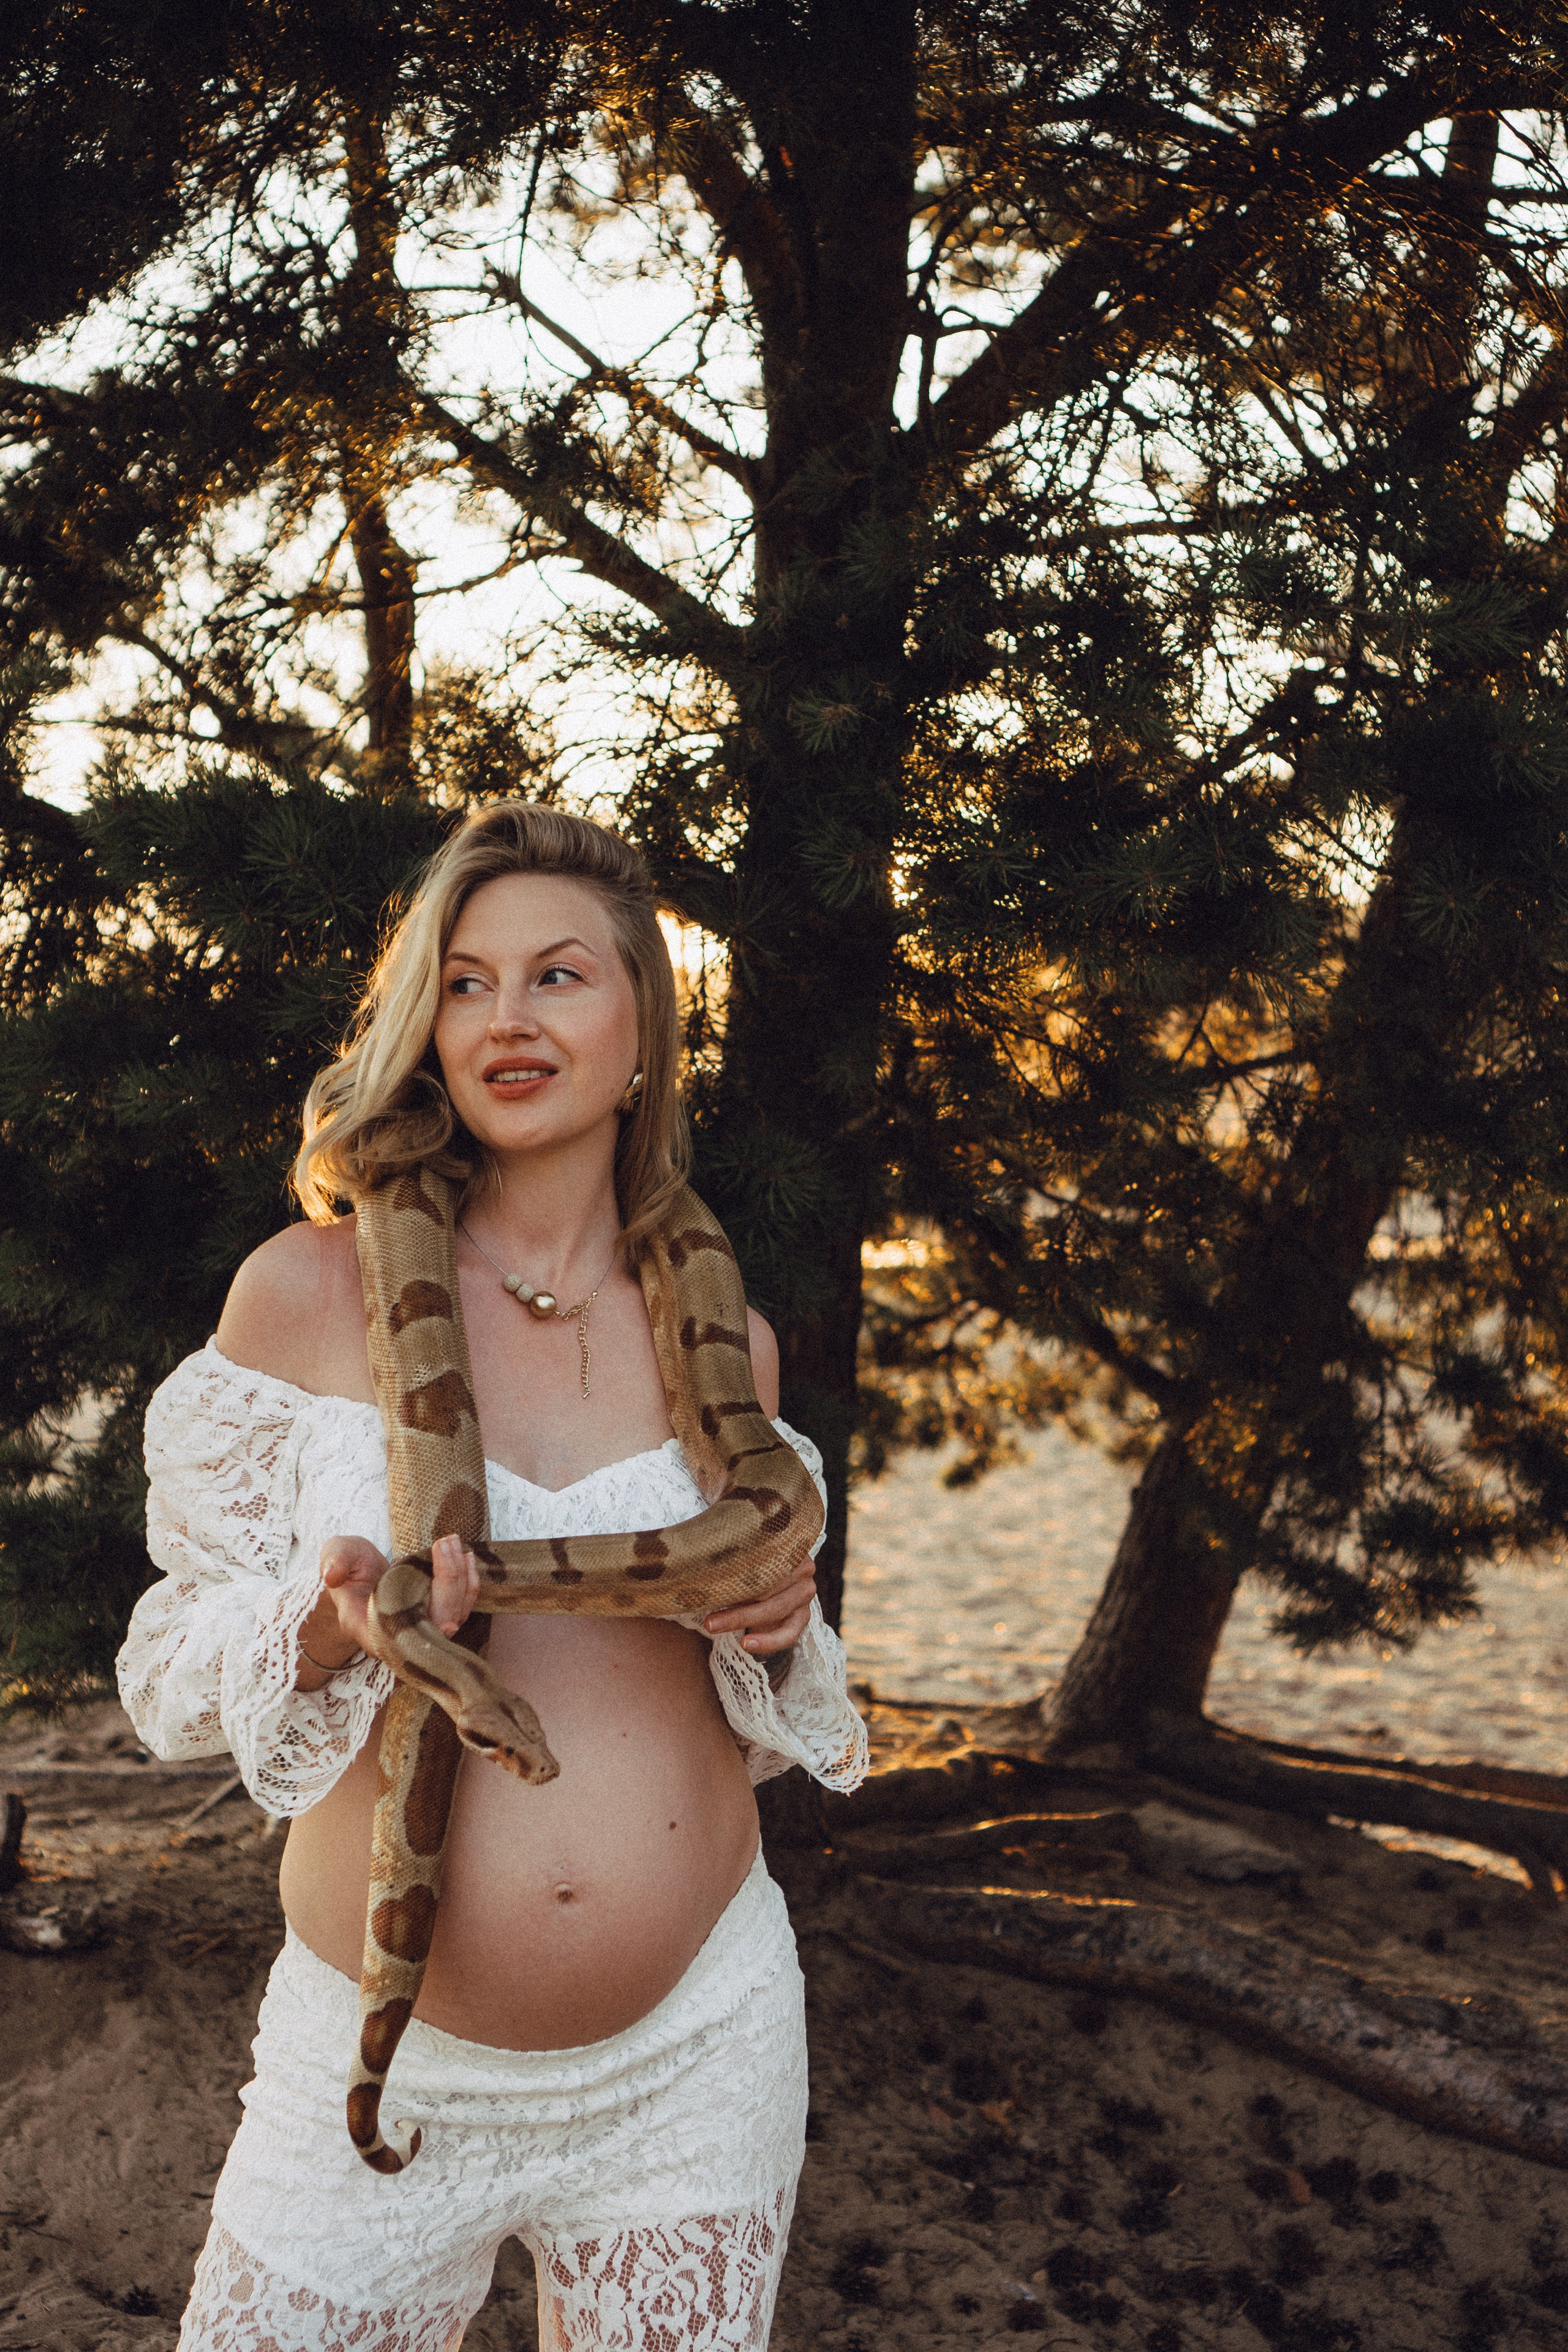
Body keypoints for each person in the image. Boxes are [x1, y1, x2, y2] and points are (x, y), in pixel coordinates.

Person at [117, 801, 869, 2352]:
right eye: (464, 984)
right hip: (378, 2062)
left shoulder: (726, 1341)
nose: (506, 1019)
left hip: (699, 2051)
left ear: (643, 1026)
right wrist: (325, 1627)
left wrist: (778, 1629)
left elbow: (747, 1723)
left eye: (556, 976)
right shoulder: (308, 1290)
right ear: (426, 1026)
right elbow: (164, 1678)